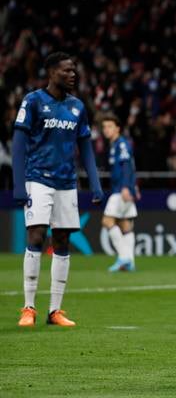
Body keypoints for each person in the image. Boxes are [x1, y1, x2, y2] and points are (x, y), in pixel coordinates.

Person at [12, 52, 103, 327]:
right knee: (36, 234)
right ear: (51, 73)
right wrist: (18, 184)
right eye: (67, 70)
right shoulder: (34, 101)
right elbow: (18, 142)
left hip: (67, 182)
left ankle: (55, 311)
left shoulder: (77, 107)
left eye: (74, 70)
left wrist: (95, 182)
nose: (73, 75)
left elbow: (85, 146)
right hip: (38, 178)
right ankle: (28, 308)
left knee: (62, 240)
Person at [101, 113, 139, 272]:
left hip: (120, 189)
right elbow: (131, 164)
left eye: (110, 126)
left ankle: (123, 257)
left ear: (118, 128)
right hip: (125, 187)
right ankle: (130, 261)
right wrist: (133, 186)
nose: (106, 130)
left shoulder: (121, 144)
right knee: (125, 224)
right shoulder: (115, 145)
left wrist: (125, 187)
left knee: (107, 221)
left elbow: (126, 166)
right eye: (104, 127)